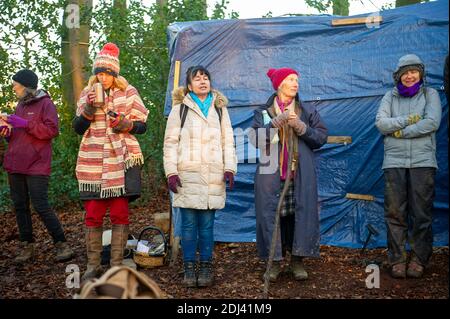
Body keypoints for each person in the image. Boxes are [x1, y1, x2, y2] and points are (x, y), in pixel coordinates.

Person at [72, 43, 149, 281]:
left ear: (114, 74)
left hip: (122, 159)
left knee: (119, 213)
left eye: (106, 73)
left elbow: (142, 126)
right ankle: (93, 266)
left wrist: (125, 124)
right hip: (93, 160)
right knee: (93, 214)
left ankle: (116, 265)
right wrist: (89, 108)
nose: (101, 77)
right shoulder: (88, 94)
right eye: (99, 72)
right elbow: (77, 128)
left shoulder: (129, 92)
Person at [250, 67, 327, 282]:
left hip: (300, 173)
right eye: (291, 79)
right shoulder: (263, 112)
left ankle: (297, 261)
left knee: (299, 217)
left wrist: (300, 126)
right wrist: (276, 122)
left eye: (296, 80)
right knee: (271, 216)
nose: (295, 83)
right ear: (279, 84)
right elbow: (255, 139)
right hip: (270, 173)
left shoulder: (306, 110)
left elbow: (321, 138)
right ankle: (273, 263)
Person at [163, 65, 237, 288]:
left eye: (206, 77)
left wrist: (230, 168)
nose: (202, 81)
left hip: (213, 175)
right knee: (187, 225)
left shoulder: (220, 109)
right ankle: (188, 268)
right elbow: (170, 143)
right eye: (197, 78)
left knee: (206, 226)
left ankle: (205, 267)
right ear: (189, 85)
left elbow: (228, 142)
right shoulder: (180, 110)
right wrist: (171, 172)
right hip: (187, 175)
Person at [375, 54, 442, 279]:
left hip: (423, 162)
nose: (410, 76)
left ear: (420, 73)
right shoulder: (389, 96)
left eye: (413, 71)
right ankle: (397, 258)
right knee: (395, 212)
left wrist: (400, 132)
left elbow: (432, 122)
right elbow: (381, 124)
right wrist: (410, 119)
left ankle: (419, 258)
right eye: (405, 72)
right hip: (394, 162)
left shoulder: (430, 94)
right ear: (398, 76)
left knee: (421, 213)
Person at [1, 69, 73, 263]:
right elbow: (18, 136)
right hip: (15, 163)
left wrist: (24, 123)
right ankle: (27, 246)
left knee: (41, 205)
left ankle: (61, 244)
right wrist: (8, 132)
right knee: (20, 206)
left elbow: (51, 130)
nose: (14, 88)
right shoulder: (19, 105)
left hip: (37, 164)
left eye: (16, 84)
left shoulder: (46, 104)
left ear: (25, 86)